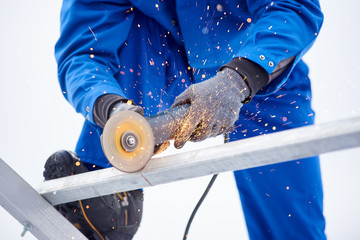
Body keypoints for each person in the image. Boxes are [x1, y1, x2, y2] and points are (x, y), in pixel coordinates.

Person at [45, 0, 326, 239]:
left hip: (261, 68)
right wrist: (110, 108)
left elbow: (293, 8)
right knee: (134, 34)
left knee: (290, 215)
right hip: (163, 61)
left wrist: (237, 79)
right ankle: (107, 194)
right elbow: (85, 50)